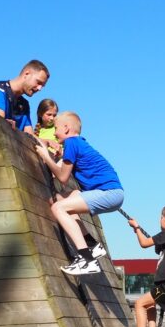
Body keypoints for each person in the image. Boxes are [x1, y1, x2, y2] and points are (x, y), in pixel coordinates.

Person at [33, 111, 124, 275]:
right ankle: (93, 245)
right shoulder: (78, 143)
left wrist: (46, 156)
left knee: (58, 208)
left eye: (56, 128)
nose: (54, 133)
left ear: (66, 128)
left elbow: (62, 177)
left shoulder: (71, 143)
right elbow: (60, 170)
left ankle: (87, 260)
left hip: (108, 193)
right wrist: (59, 158)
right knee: (58, 200)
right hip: (112, 193)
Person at [0, 60, 50, 133]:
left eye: (42, 86)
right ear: (27, 74)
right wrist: (5, 124)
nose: (39, 88)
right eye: (38, 82)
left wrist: (47, 140)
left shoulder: (24, 104)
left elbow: (30, 135)